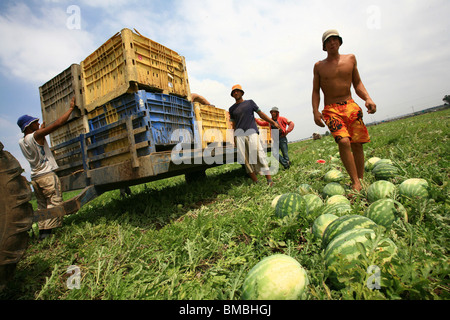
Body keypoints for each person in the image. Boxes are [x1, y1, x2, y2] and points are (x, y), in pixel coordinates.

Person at [312, 29, 377, 192]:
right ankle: (355, 181)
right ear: (324, 46)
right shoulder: (319, 66)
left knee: (357, 144)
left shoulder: (351, 59)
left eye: (335, 39)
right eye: (328, 41)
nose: (332, 42)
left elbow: (358, 83)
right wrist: (315, 111)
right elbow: (315, 91)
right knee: (343, 141)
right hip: (331, 110)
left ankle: (360, 180)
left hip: (350, 106)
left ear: (340, 42)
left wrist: (368, 98)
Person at [17, 97, 77, 240]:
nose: (38, 123)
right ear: (29, 126)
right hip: (47, 176)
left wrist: (40, 129)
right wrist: (70, 109)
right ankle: (49, 235)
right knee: (53, 203)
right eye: (35, 123)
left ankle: (43, 233)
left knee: (42, 205)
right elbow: (58, 124)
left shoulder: (21, 141)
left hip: (36, 178)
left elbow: (37, 142)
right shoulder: (36, 135)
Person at [229, 84, 281, 186]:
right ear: (232, 95)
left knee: (259, 154)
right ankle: (256, 182)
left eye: (237, 91)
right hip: (239, 136)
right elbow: (233, 125)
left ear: (241, 92)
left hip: (252, 132)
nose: (235, 93)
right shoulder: (232, 109)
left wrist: (273, 122)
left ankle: (269, 181)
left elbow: (261, 114)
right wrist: (234, 138)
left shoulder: (250, 103)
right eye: (233, 92)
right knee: (246, 160)